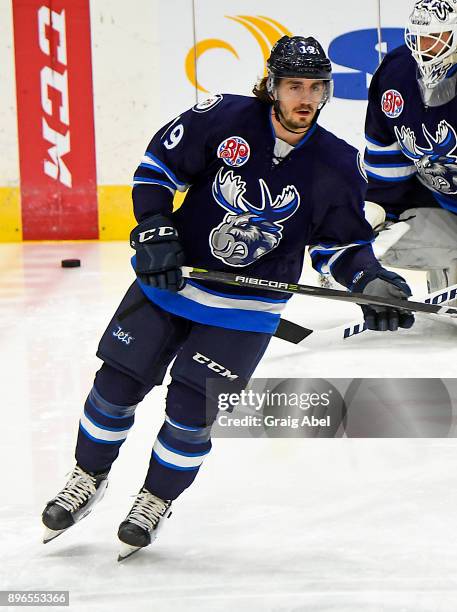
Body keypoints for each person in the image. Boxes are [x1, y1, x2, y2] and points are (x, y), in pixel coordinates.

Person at [41, 35, 414, 561]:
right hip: (172, 283)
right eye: (293, 86)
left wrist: (371, 283)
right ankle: (87, 477)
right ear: (272, 85)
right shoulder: (220, 118)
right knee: (115, 386)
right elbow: (156, 171)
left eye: (315, 87)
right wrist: (153, 229)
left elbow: (342, 247)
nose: (304, 98)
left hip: (246, 311)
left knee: (191, 412)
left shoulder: (336, 164)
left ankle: (154, 499)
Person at [364, 0, 457, 295]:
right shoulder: (396, 72)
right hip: (438, 207)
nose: (424, 47)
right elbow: (386, 157)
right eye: (418, 37)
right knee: (354, 236)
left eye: (435, 37)